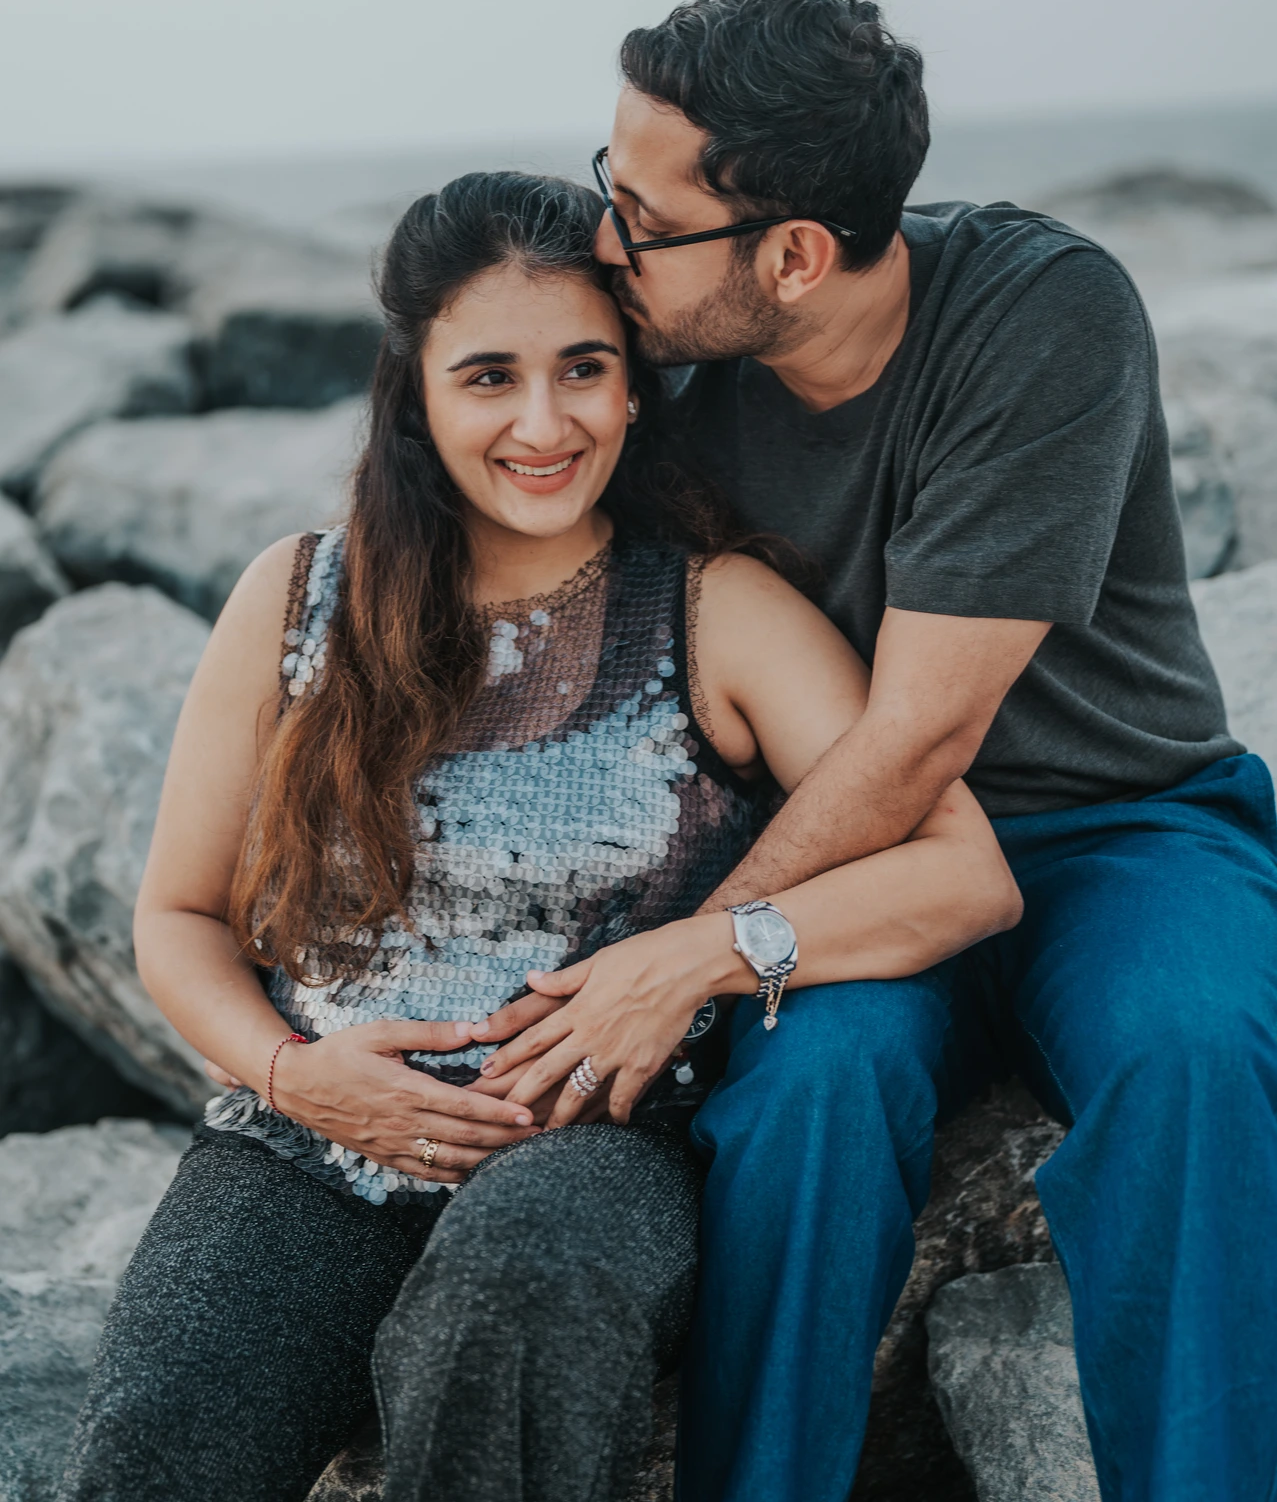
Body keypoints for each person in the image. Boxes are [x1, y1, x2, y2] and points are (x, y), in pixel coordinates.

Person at [58, 171, 1019, 1502]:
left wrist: (702, 957)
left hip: (597, 1154)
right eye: (490, 377)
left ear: (636, 386)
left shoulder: (714, 609)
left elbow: (965, 871)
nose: (545, 422)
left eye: (585, 369)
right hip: (310, 1147)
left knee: (514, 1306)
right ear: (418, 391)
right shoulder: (295, 599)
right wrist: (290, 1074)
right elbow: (176, 919)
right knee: (166, 1430)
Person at [476, 0, 1277, 1502]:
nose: (605, 242)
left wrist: (697, 953)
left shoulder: (1043, 312)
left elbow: (917, 741)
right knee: (807, 1100)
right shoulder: (664, 365)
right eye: (608, 187)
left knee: (1195, 1059)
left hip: (1119, 827)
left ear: (791, 254)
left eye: (642, 215)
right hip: (850, 867)